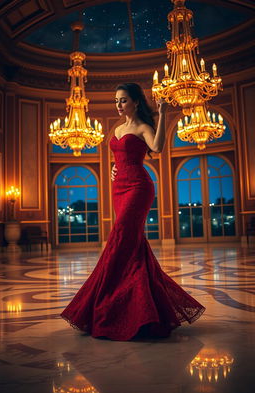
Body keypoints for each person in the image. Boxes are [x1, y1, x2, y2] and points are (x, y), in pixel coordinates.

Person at [60, 83, 205, 341]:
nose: (118, 105)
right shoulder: (116, 129)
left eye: (123, 100)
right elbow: (119, 157)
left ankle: (103, 303)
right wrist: (114, 170)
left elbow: (157, 148)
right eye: (116, 100)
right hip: (119, 189)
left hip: (139, 187)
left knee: (119, 241)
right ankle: (143, 311)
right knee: (133, 246)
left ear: (136, 102)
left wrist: (163, 112)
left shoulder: (143, 127)